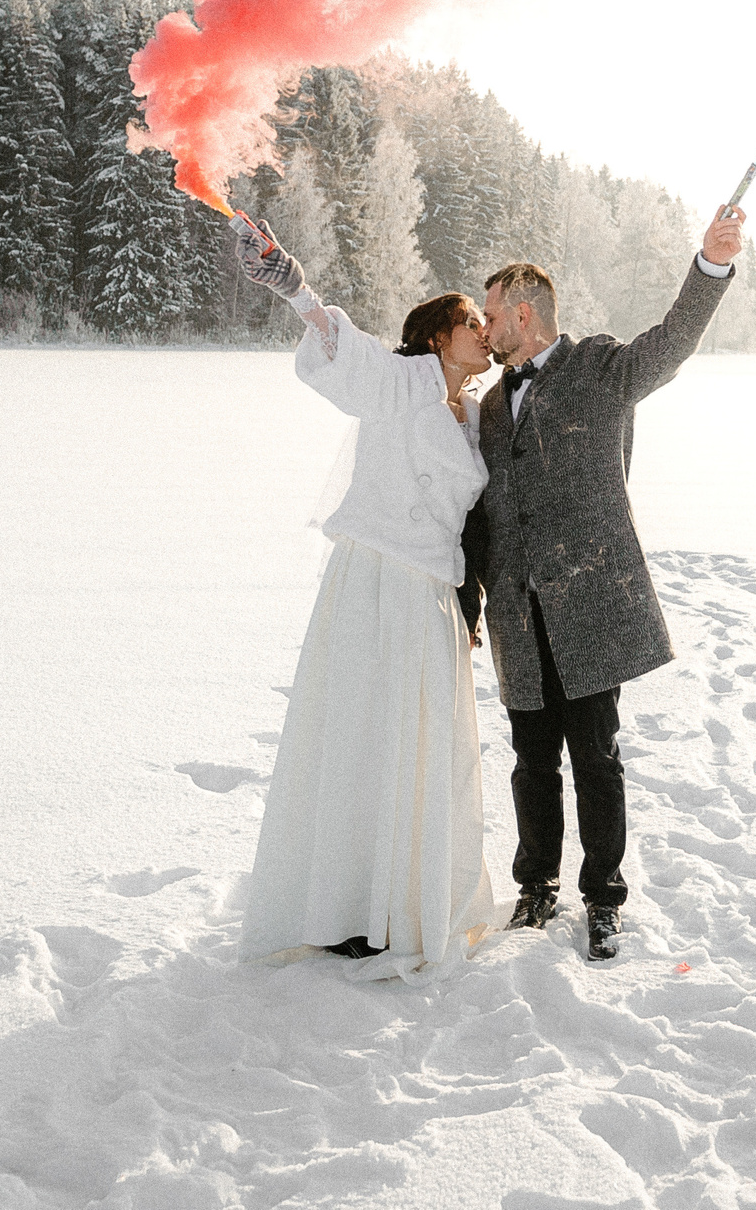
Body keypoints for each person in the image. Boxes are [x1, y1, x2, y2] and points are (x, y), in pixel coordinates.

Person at [460, 203, 746, 961]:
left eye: (491, 315)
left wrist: (710, 264)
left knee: (596, 759)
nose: (484, 329)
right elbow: (482, 512)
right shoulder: (490, 405)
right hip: (520, 617)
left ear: (525, 312)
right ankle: (536, 888)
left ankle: (603, 897)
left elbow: (674, 341)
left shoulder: (600, 369)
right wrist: (471, 601)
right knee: (530, 763)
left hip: (588, 605)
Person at [232, 217, 499, 982]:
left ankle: (408, 902)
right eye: (470, 322)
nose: (483, 333)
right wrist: (295, 287)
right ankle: (348, 909)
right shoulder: (401, 382)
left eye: (485, 324)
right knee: (361, 740)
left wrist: (475, 605)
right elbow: (342, 355)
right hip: (375, 586)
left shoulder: (475, 416)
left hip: (433, 598)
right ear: (437, 338)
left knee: (421, 747)